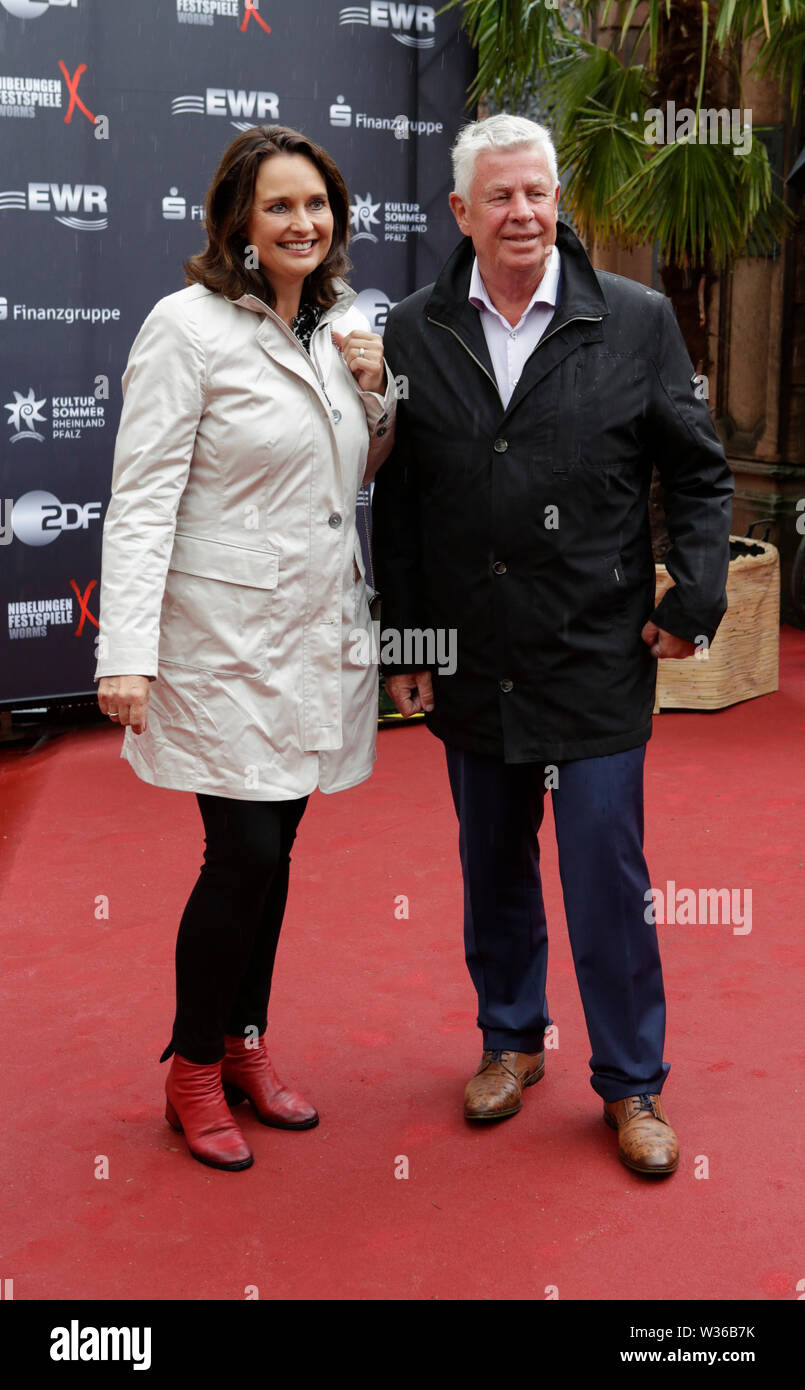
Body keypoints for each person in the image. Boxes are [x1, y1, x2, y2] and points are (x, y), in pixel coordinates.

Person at [372, 113, 733, 1176]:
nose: (522, 212)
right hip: (474, 652)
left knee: (603, 869)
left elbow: (700, 473)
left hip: (592, 650)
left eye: (537, 192)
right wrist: (409, 638)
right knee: (490, 861)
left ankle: (632, 1083)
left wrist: (694, 597)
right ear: (460, 212)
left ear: (557, 199)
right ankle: (508, 1038)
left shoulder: (635, 319)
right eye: (499, 196)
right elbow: (398, 505)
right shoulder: (411, 329)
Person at [94, 125, 396, 1172]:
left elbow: (348, 476)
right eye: (278, 206)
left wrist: (376, 393)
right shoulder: (185, 328)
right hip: (218, 638)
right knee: (245, 854)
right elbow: (140, 503)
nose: (301, 223)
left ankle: (243, 1042)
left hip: (314, 634)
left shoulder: (338, 324)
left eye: (316, 205)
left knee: (280, 853)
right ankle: (189, 1068)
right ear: (237, 219)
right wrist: (124, 652)